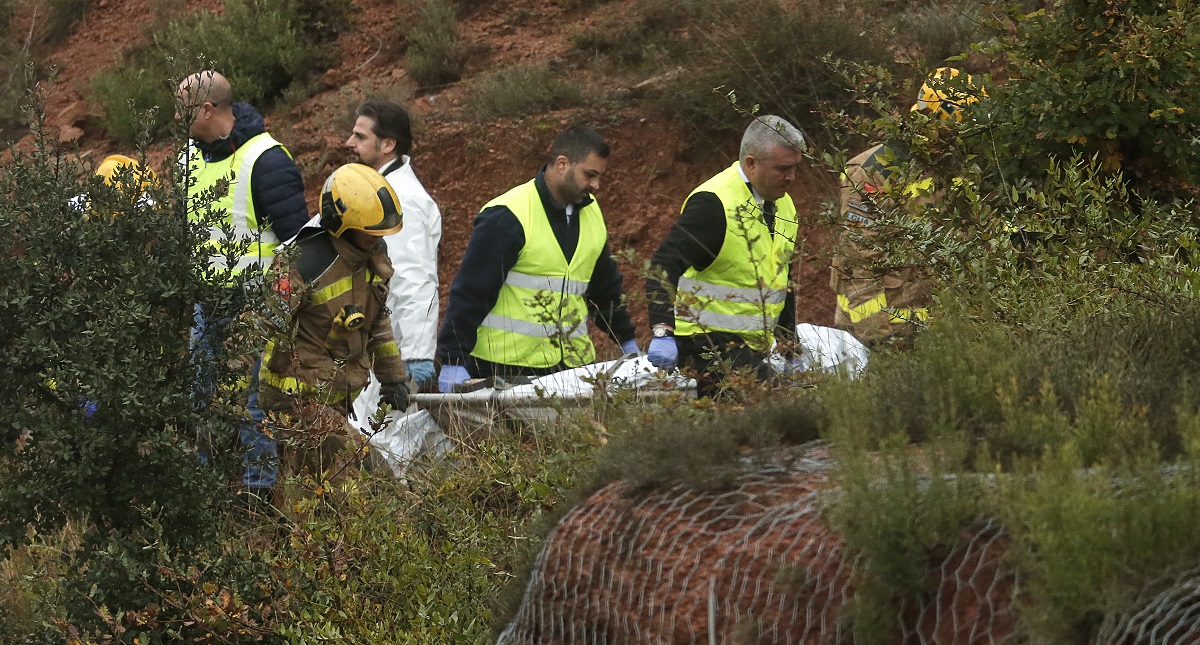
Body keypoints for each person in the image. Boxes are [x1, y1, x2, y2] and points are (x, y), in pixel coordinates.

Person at [176, 70, 311, 499]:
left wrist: (277, 307)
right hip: (207, 303)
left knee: (256, 404)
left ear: (207, 110)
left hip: (259, 304)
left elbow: (300, 247)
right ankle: (200, 490)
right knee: (199, 396)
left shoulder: (268, 160)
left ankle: (257, 497)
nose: (175, 119)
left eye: (182, 110)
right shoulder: (187, 160)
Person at [436, 125, 638, 392]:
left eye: (599, 177)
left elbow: (604, 289)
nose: (596, 185)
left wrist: (628, 341)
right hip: (504, 369)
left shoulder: (591, 213)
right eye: (589, 175)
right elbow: (471, 292)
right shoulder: (508, 215)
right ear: (562, 164)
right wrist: (452, 358)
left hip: (571, 370)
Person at [256, 163, 411, 483]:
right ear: (341, 222)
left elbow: (378, 322)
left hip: (335, 396)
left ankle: (290, 531)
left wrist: (393, 377)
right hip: (296, 398)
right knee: (370, 481)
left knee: (312, 491)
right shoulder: (302, 263)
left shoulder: (372, 258)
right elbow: (260, 326)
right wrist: (230, 396)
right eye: (370, 230)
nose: (377, 237)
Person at [645, 115, 807, 397]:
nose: (791, 177)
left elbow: (782, 282)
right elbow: (664, 264)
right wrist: (662, 332)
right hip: (702, 341)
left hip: (748, 346)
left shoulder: (783, 205)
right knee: (772, 399)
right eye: (782, 169)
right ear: (751, 163)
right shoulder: (714, 204)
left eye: (795, 168)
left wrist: (789, 346)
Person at [830, 67, 983, 345]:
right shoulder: (873, 172)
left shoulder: (958, 168)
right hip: (876, 335)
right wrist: (881, 340)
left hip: (941, 336)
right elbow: (858, 267)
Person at [343, 101, 442, 431]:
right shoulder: (377, 190)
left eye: (359, 136)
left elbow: (414, 279)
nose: (349, 143)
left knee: (382, 440)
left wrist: (415, 354)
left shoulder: (402, 201)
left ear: (388, 145)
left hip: (392, 351)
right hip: (369, 343)